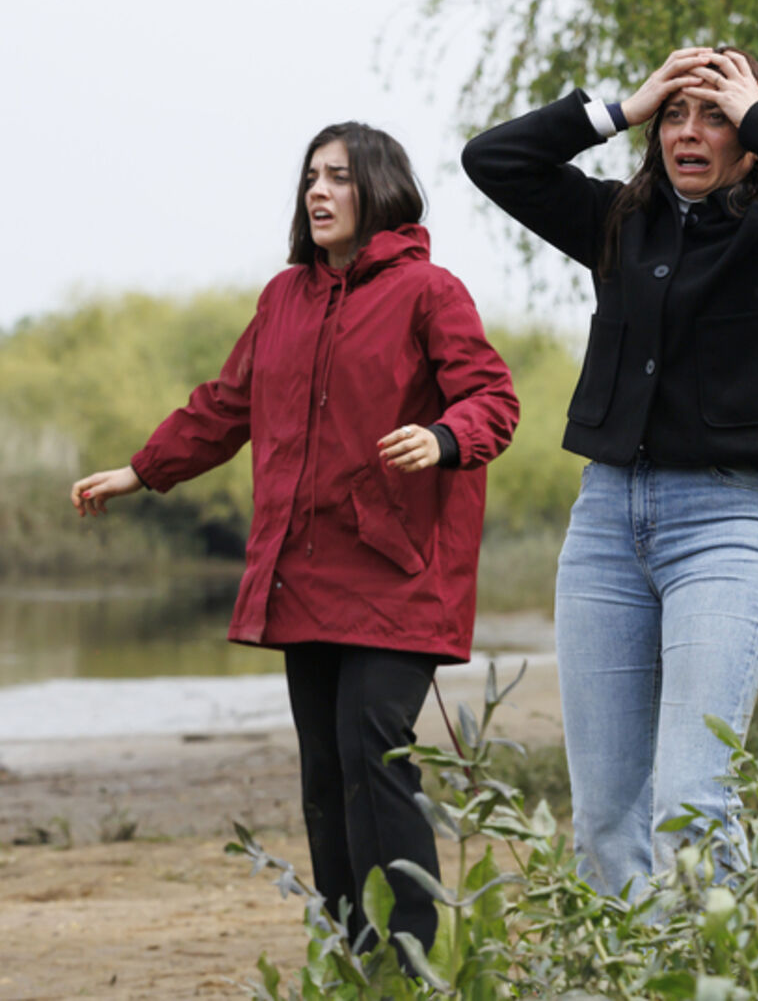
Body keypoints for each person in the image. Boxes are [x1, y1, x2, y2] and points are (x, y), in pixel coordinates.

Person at [70, 121, 520, 955]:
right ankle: (355, 949)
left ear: (378, 189)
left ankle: (411, 954)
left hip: (399, 568)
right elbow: (226, 405)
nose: (318, 191)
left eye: (339, 177)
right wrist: (143, 470)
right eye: (311, 176)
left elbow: (493, 398)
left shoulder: (430, 292)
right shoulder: (284, 298)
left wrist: (445, 438)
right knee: (325, 776)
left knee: (373, 749)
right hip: (303, 570)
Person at [462, 45, 758, 896]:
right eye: (676, 116)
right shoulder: (619, 219)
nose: (690, 131)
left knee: (693, 798)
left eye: (716, 116)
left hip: (726, 524)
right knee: (609, 813)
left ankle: (709, 977)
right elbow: (494, 159)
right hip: (605, 527)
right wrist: (621, 107)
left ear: (754, 139)